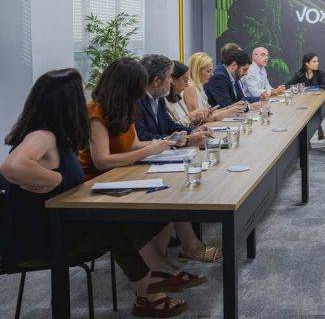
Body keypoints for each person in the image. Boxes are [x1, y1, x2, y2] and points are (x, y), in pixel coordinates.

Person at [0, 69, 191, 317]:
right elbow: (11, 166)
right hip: (42, 238)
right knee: (119, 224)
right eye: (81, 92)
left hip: (61, 224)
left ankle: (152, 287)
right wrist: (55, 178)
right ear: (68, 102)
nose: (85, 97)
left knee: (127, 222)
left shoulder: (58, 135)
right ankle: (154, 283)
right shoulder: (43, 135)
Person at [81, 58, 221, 264]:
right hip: (100, 181)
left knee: (172, 195)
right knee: (166, 200)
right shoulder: (96, 111)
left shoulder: (124, 106)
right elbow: (102, 161)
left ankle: (162, 264)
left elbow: (136, 144)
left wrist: (167, 142)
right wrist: (151, 149)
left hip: (123, 172)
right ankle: (158, 268)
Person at [136, 54, 210, 144]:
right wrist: (186, 139)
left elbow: (169, 125)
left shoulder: (159, 98)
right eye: (170, 76)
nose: (172, 81)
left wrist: (192, 131)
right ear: (156, 80)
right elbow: (143, 137)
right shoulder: (136, 102)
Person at [184, 52, 248, 121]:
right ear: (197, 71)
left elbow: (209, 113)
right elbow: (197, 120)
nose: (212, 74)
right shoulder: (191, 87)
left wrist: (232, 107)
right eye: (208, 71)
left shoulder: (199, 86)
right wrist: (228, 112)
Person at [286, 52, 325, 140]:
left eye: (317, 61)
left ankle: (313, 131)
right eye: (314, 61)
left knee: (315, 112)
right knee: (302, 113)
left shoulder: (320, 73)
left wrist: (309, 88)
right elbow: (288, 85)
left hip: (317, 101)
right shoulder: (299, 74)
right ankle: (308, 137)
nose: (317, 63)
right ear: (307, 63)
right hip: (302, 102)